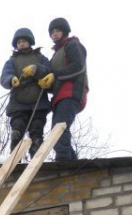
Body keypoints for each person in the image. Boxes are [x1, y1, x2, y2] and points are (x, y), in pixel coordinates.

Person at [37, 17, 88, 161]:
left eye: (58, 31)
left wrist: (55, 75)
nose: (54, 34)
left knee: (58, 129)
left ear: (64, 31)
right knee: (57, 130)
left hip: (72, 92)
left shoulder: (73, 45)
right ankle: (72, 162)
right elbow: (55, 78)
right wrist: (47, 84)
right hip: (60, 96)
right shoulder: (55, 55)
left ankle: (63, 161)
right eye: (52, 32)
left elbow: (78, 66)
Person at [0, 27, 52, 159]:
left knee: (37, 132)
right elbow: (5, 75)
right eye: (18, 42)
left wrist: (37, 69)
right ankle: (14, 160)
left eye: (23, 41)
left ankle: (36, 160)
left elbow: (49, 70)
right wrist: (11, 79)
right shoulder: (12, 61)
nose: (21, 44)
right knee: (17, 131)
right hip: (18, 101)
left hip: (38, 101)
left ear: (29, 42)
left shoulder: (40, 57)